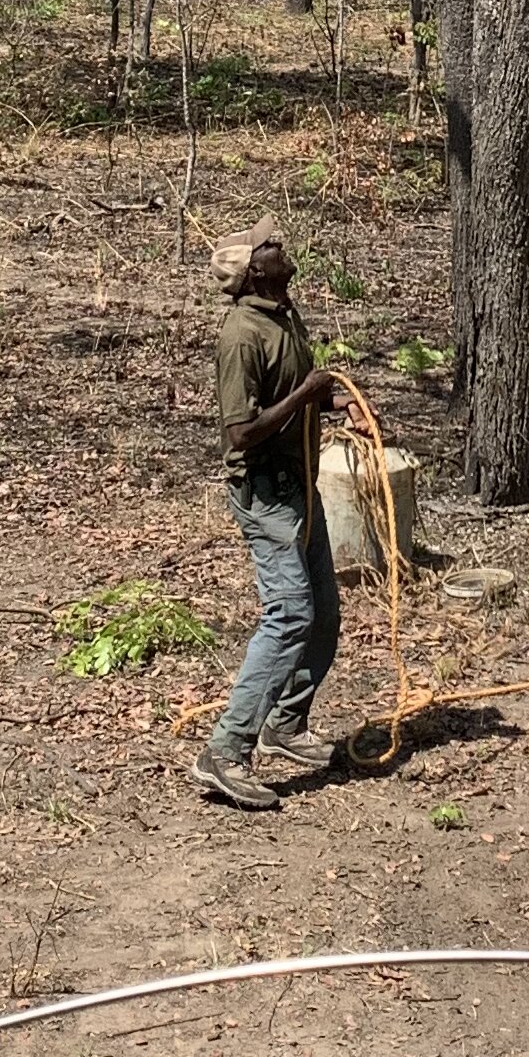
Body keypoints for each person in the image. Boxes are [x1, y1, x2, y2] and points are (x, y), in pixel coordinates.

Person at [195, 223, 347, 811]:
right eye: (266, 246)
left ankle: (286, 725)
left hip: (300, 488)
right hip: (266, 495)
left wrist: (338, 405)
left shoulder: (284, 314)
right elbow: (242, 431)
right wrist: (308, 395)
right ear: (255, 270)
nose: (277, 243)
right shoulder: (240, 335)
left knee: (325, 615)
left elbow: (297, 395)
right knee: (289, 617)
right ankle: (226, 751)